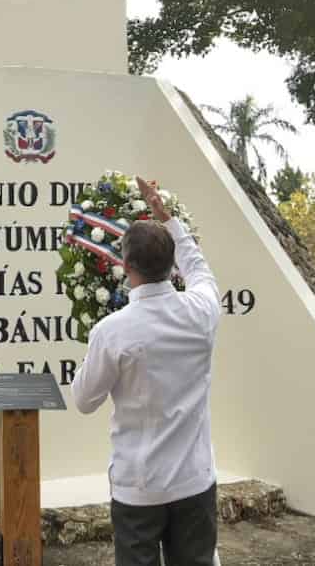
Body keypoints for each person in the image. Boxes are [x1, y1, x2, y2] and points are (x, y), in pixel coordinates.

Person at [72, 177, 223, 566]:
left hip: (139, 486)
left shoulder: (112, 331)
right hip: (194, 478)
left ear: (125, 264)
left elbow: (84, 400)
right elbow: (200, 268)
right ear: (171, 265)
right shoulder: (202, 311)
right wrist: (167, 218)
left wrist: (93, 353)